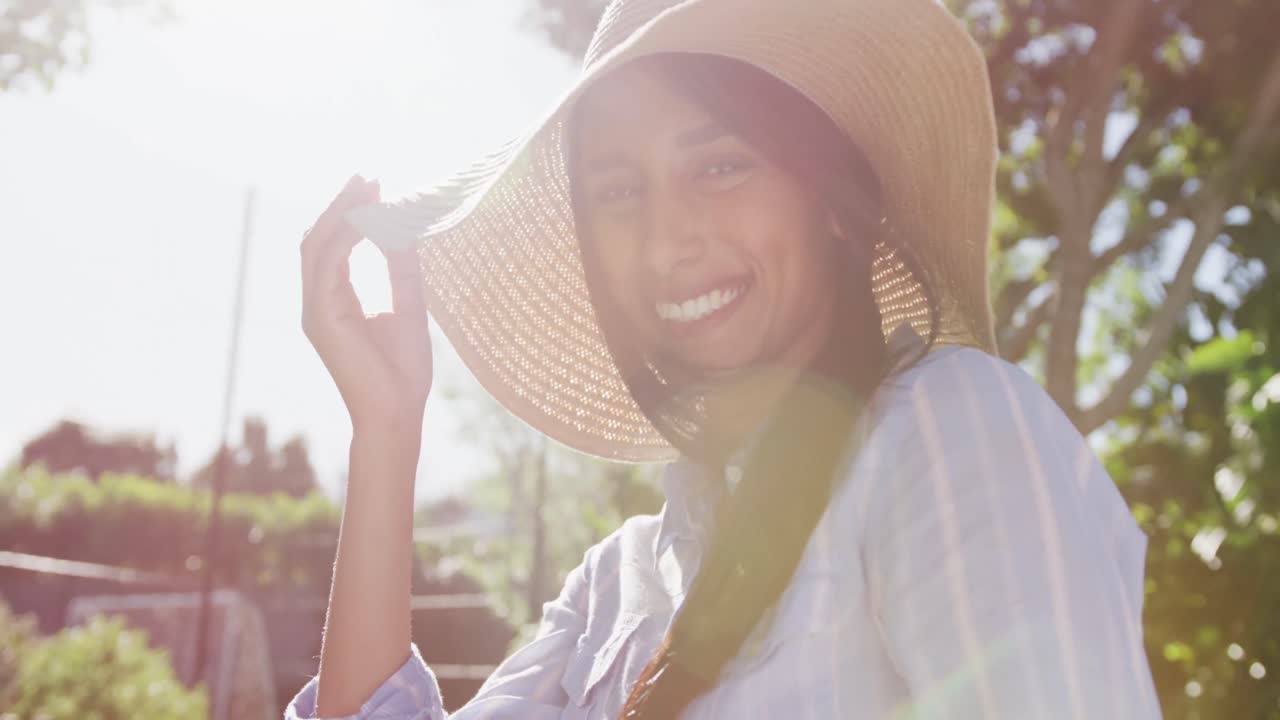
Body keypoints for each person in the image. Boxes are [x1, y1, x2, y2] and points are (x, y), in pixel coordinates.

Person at [289, 0, 1163, 717]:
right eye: (620, 192)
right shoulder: (616, 582)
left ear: (832, 201)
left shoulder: (948, 429)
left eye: (718, 166)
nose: (667, 239)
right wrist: (387, 428)